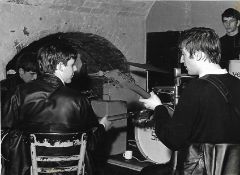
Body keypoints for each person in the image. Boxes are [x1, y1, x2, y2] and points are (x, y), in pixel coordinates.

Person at [139, 27, 240, 174]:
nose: (181, 60)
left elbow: (173, 139)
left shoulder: (196, 88)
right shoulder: (237, 83)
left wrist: (158, 108)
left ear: (198, 55)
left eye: (184, 54)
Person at [1, 40, 112, 175]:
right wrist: (102, 127)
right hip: (70, 171)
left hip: (27, 169)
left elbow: (3, 134)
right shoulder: (78, 99)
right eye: (72, 65)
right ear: (60, 66)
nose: (75, 69)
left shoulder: (18, 93)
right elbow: (91, 144)